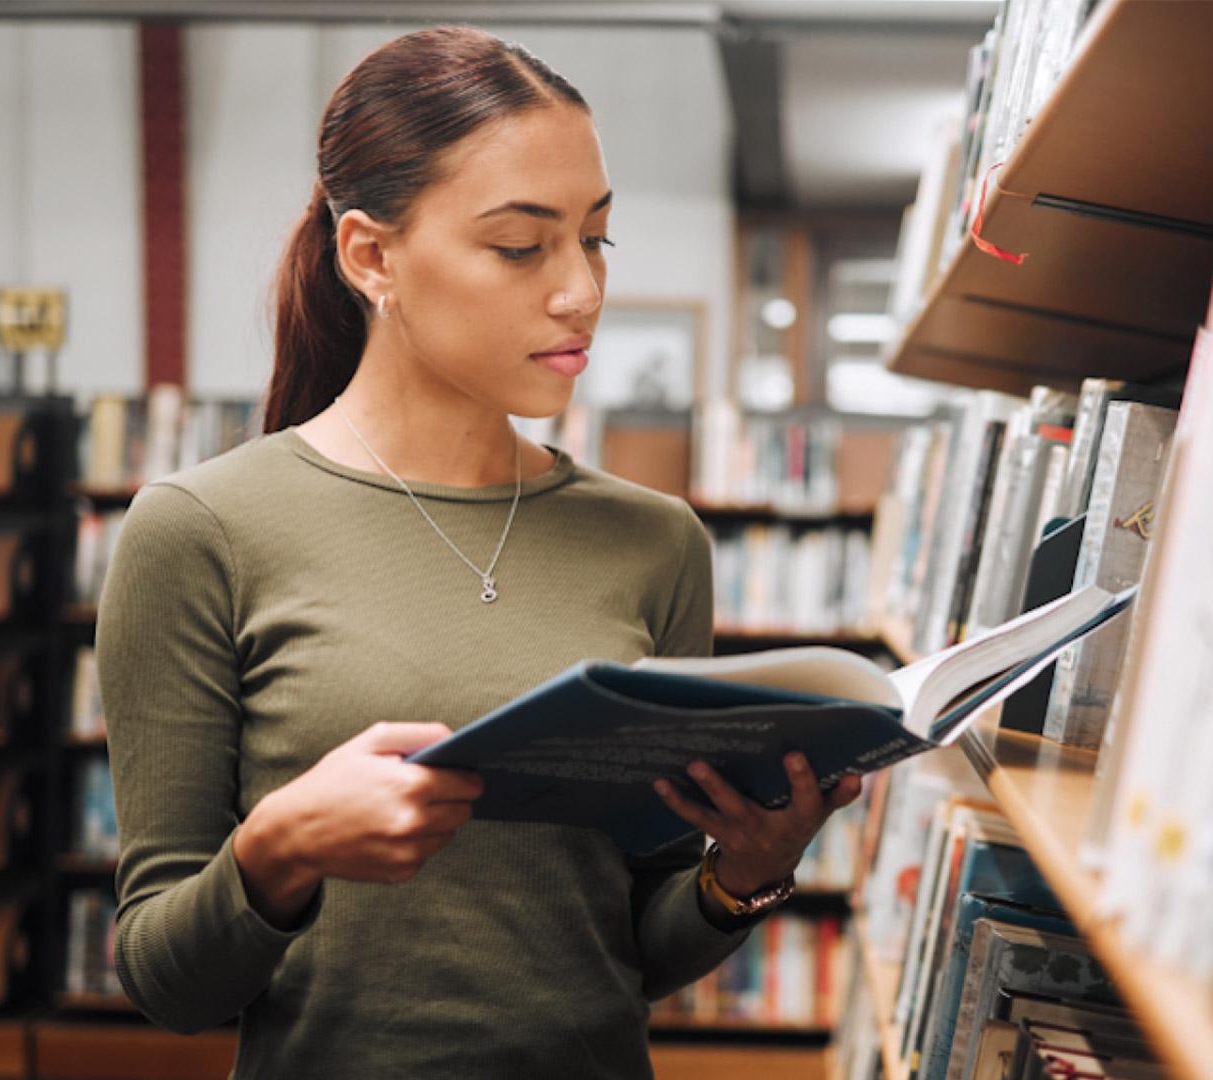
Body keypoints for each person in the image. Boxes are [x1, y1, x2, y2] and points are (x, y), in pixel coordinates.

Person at [97, 26, 862, 1078]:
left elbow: (629, 952)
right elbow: (165, 980)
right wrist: (280, 849)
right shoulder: (200, 531)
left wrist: (745, 876)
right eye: (519, 246)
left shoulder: (656, 542)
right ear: (371, 257)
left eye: (596, 238)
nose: (580, 291)